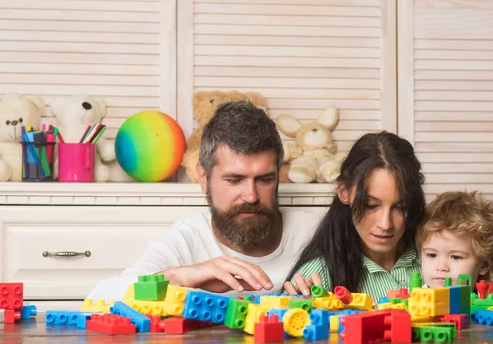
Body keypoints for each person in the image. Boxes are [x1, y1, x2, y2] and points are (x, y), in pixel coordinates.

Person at [87, 101, 321, 300]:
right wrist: (181, 277)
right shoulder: (186, 240)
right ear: (203, 177)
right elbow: (101, 297)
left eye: (265, 179)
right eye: (234, 180)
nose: (251, 195)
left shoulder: (316, 232)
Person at [283, 131, 426, 302]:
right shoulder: (316, 277)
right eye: (371, 205)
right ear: (344, 192)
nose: (385, 224)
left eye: (400, 207)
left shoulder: (435, 257)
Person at [416, 191, 493, 289]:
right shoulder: (409, 300)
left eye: (456, 257)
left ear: (484, 265)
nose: (441, 267)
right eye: (432, 255)